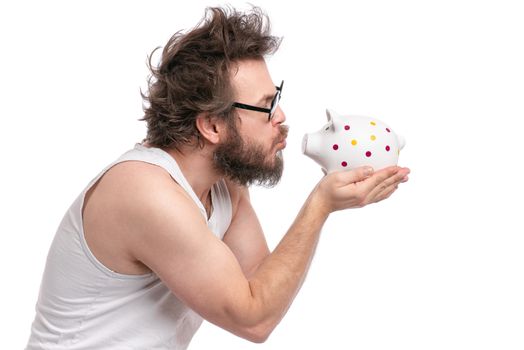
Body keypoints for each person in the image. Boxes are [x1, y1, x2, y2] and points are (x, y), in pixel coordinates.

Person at [26, 6, 410, 350]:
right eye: (265, 106)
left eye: (275, 98)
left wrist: (326, 200)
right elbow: (254, 319)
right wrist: (319, 206)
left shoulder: (224, 184)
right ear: (211, 125)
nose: (281, 117)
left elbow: (261, 283)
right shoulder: (145, 192)